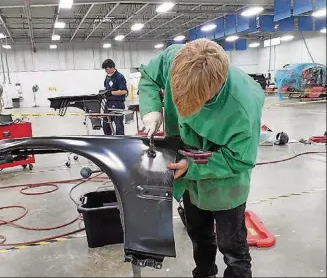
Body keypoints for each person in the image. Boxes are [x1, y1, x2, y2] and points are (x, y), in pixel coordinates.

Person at [138, 39, 265, 278]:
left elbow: (238, 160)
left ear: (213, 91)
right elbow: (148, 77)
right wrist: (152, 110)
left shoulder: (243, 108)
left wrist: (192, 165)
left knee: (231, 244)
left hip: (225, 180)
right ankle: (205, 272)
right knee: (198, 233)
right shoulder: (177, 58)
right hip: (186, 172)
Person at [101, 59, 128, 135]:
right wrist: (104, 93)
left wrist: (111, 93)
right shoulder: (107, 77)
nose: (106, 71)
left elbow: (124, 91)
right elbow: (106, 88)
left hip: (118, 104)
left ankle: (120, 142)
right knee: (106, 124)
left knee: (118, 125)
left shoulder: (119, 77)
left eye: (107, 69)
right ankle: (108, 140)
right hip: (108, 103)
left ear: (112, 67)